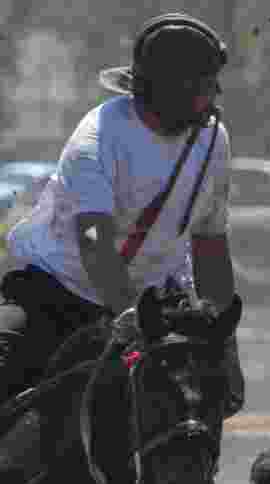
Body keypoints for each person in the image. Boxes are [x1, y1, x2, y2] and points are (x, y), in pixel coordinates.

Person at [0, 12, 243, 411]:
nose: (215, 94)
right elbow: (95, 243)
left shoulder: (214, 140)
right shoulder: (97, 137)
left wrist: (221, 335)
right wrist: (130, 316)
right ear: (170, 90)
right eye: (203, 85)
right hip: (57, 294)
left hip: (161, 304)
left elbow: (210, 242)